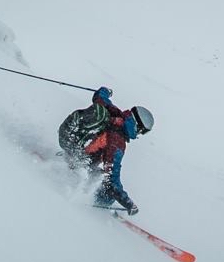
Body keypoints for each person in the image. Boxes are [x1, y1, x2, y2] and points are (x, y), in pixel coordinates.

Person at [57, 86, 155, 214]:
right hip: (79, 160)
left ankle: (66, 158)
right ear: (138, 127)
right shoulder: (117, 142)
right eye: (142, 132)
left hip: (68, 139)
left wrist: (105, 91)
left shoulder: (114, 113)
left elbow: (100, 97)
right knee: (107, 191)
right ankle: (94, 211)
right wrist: (128, 203)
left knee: (99, 171)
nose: (139, 134)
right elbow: (112, 180)